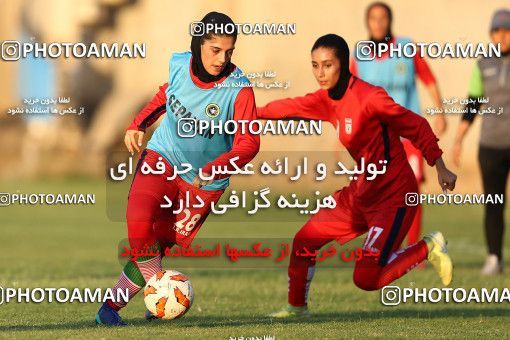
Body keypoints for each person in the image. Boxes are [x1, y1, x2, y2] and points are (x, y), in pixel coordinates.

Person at [257, 34, 457, 318]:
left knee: (366, 278)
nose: (320, 73)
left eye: (328, 65)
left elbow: (416, 125)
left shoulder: (371, 98)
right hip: (360, 195)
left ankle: (428, 246)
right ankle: (296, 308)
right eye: (315, 65)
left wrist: (440, 165)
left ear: (344, 64)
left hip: (394, 197)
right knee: (304, 241)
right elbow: (289, 108)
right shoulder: (326, 99)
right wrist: (248, 114)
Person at [95, 12, 260, 326]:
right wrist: (138, 124)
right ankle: (164, 293)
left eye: (229, 52)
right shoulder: (179, 64)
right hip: (164, 156)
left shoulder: (240, 90)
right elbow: (164, 96)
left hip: (202, 185)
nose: (222, 59)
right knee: (138, 218)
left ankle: (110, 309)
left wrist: (215, 167)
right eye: (215, 50)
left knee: (155, 244)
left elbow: (249, 143)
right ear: (198, 44)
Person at [351, 1, 447, 247]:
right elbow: (350, 96)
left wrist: (440, 112)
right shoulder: (358, 56)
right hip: (376, 138)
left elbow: (429, 78)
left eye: (383, 18)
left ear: (389, 20)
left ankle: (414, 247)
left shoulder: (406, 47)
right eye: (374, 18)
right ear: (368, 22)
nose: (379, 23)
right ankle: (382, 245)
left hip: (409, 136)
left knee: (412, 191)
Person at [452, 9, 510, 275]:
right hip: (491, 145)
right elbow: (473, 102)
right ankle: (494, 258)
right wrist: (459, 138)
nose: (502, 36)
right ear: (491, 34)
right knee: (494, 203)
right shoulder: (483, 63)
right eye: (497, 31)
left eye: (507, 30)